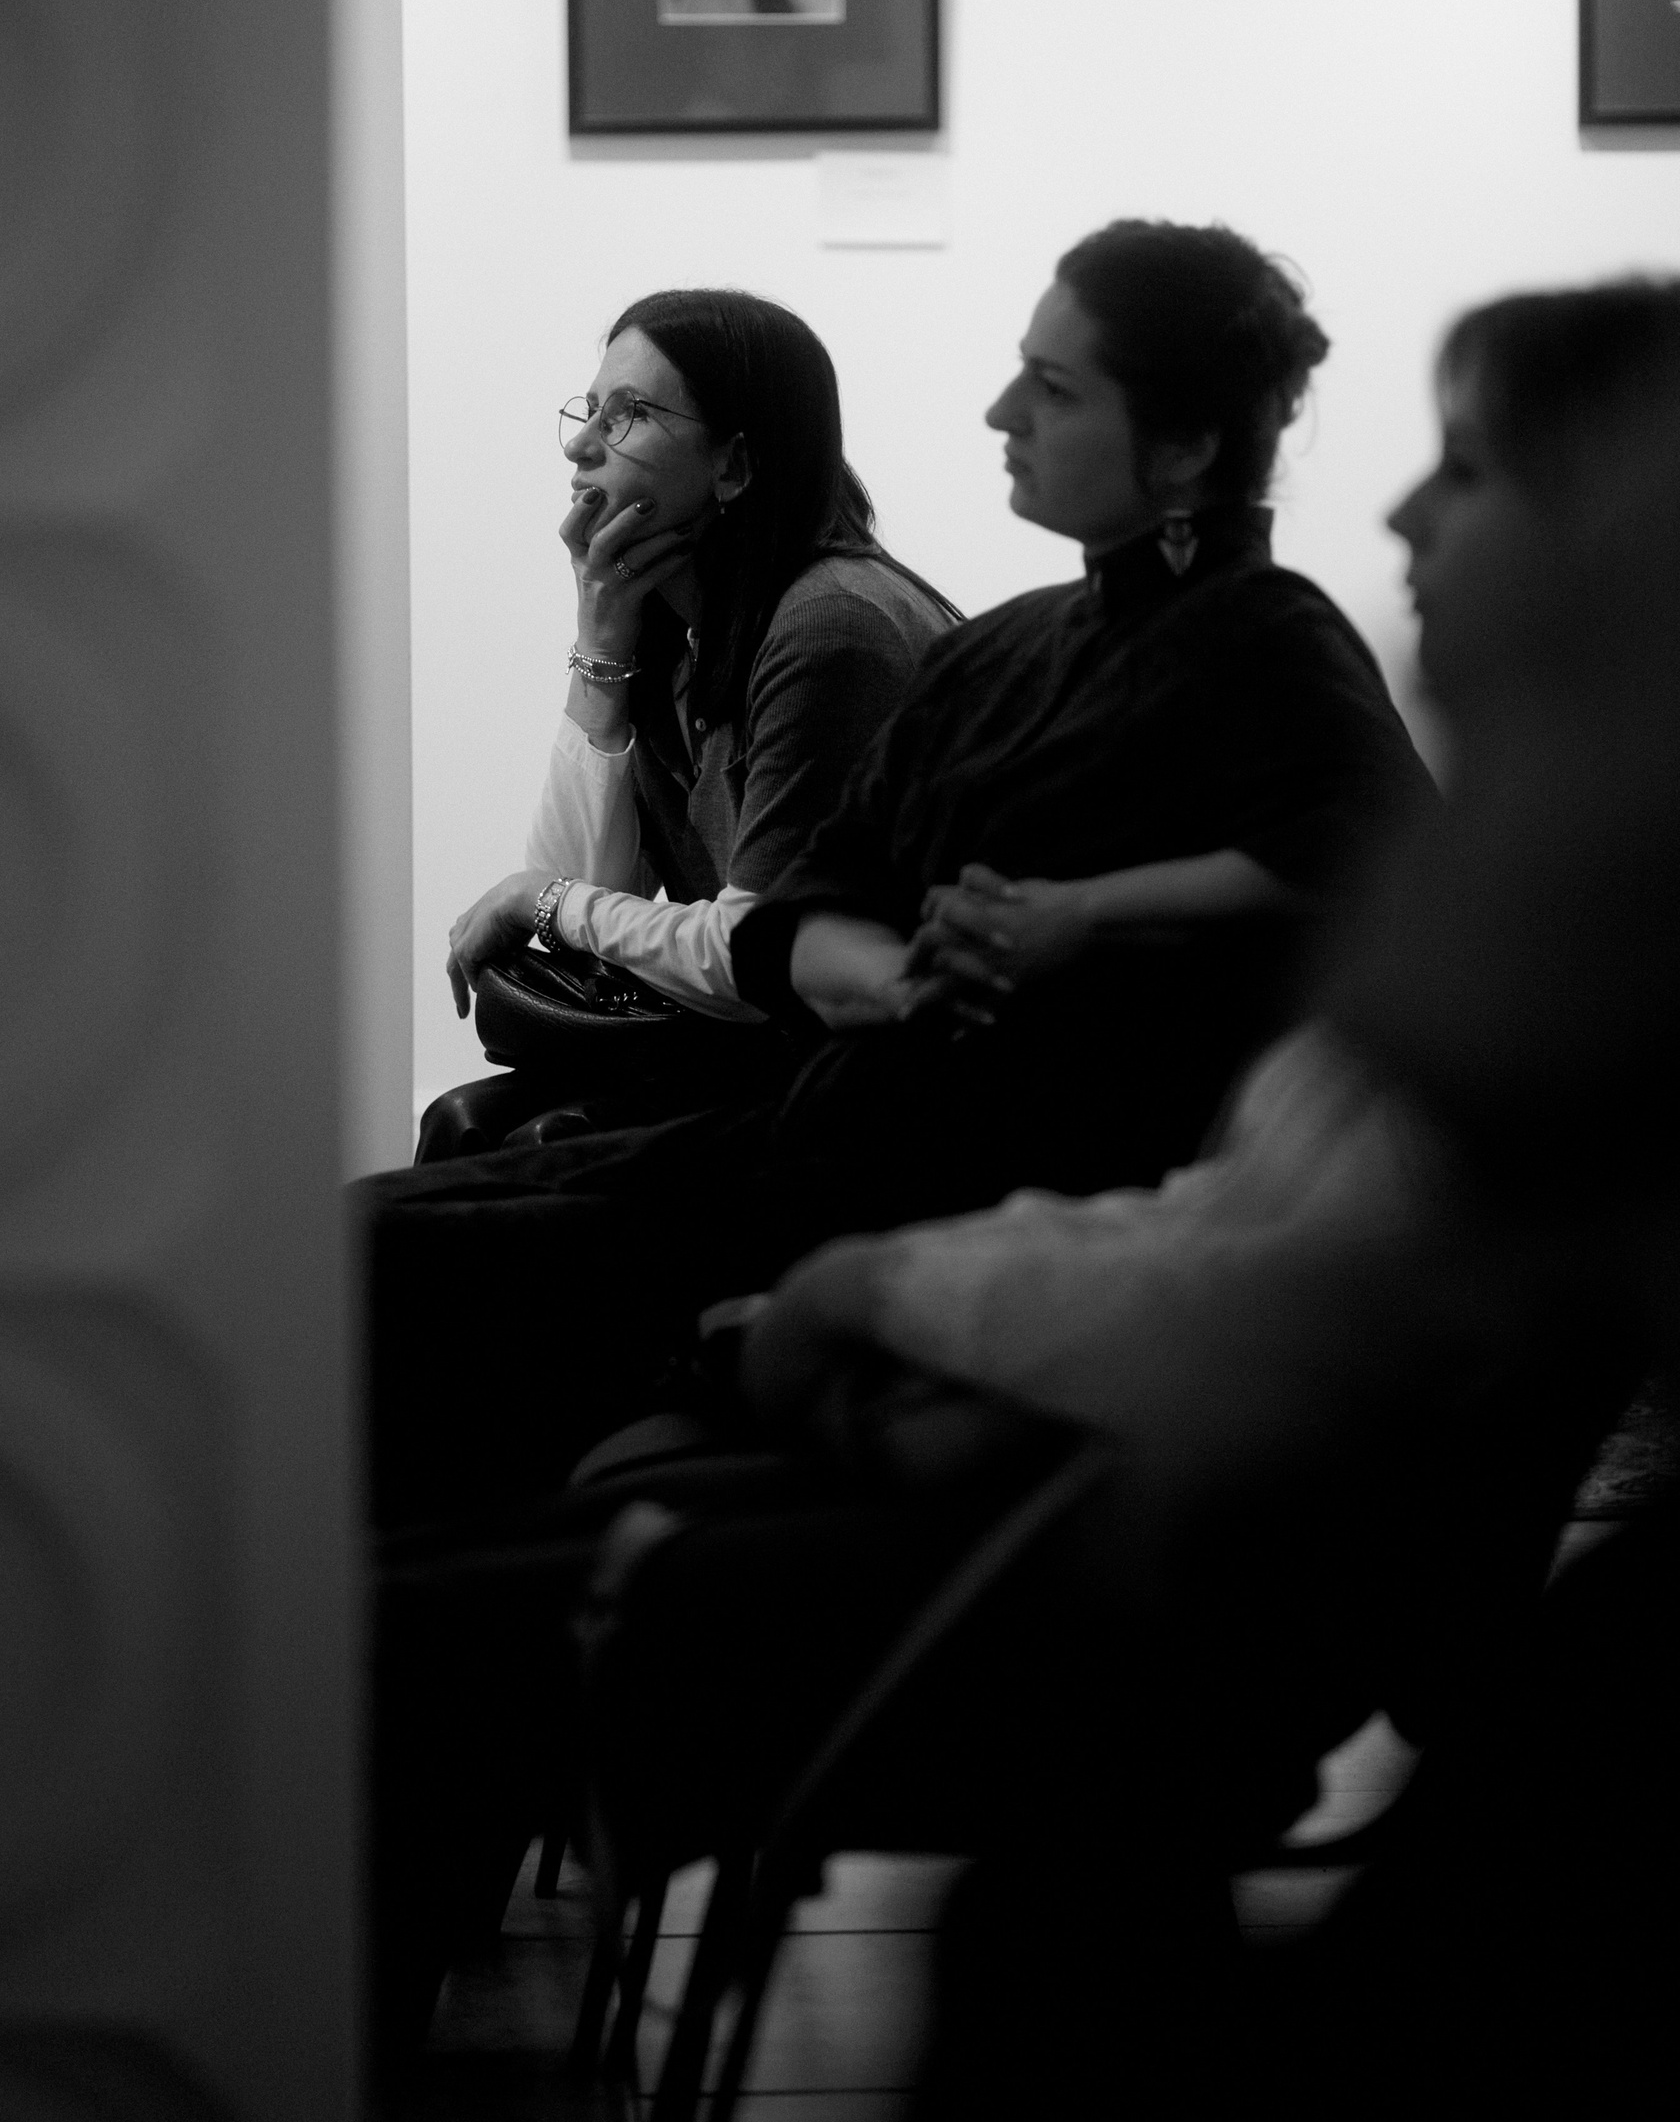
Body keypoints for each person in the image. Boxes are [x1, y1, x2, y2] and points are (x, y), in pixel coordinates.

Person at [574, 278, 1680, 2116]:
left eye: (1470, 470)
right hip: (899, 1208)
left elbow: (1268, 1283)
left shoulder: (1269, 684)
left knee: (460, 1440)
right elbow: (802, 916)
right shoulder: (1004, 655)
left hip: (984, 1309)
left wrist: (881, 1276)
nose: (1403, 510)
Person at [360, 219, 1430, 1533]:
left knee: (380, 1273)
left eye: (1053, 389)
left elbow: (1382, 882)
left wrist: (1079, 918)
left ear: (1189, 448)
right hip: (824, 1129)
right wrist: (893, 971)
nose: (1001, 412)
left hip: (955, 1177)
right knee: (364, 1235)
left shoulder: (1270, 641)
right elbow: (794, 924)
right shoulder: (1006, 650)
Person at [436, 287, 954, 1124]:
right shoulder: (675, 629)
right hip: (775, 1067)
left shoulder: (831, 623)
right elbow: (589, 893)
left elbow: (755, 961)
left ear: (734, 466)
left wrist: (542, 900)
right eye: (590, 411)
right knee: (464, 1124)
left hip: (877, 1097)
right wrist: (600, 641)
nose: (581, 446)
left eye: (630, 415)